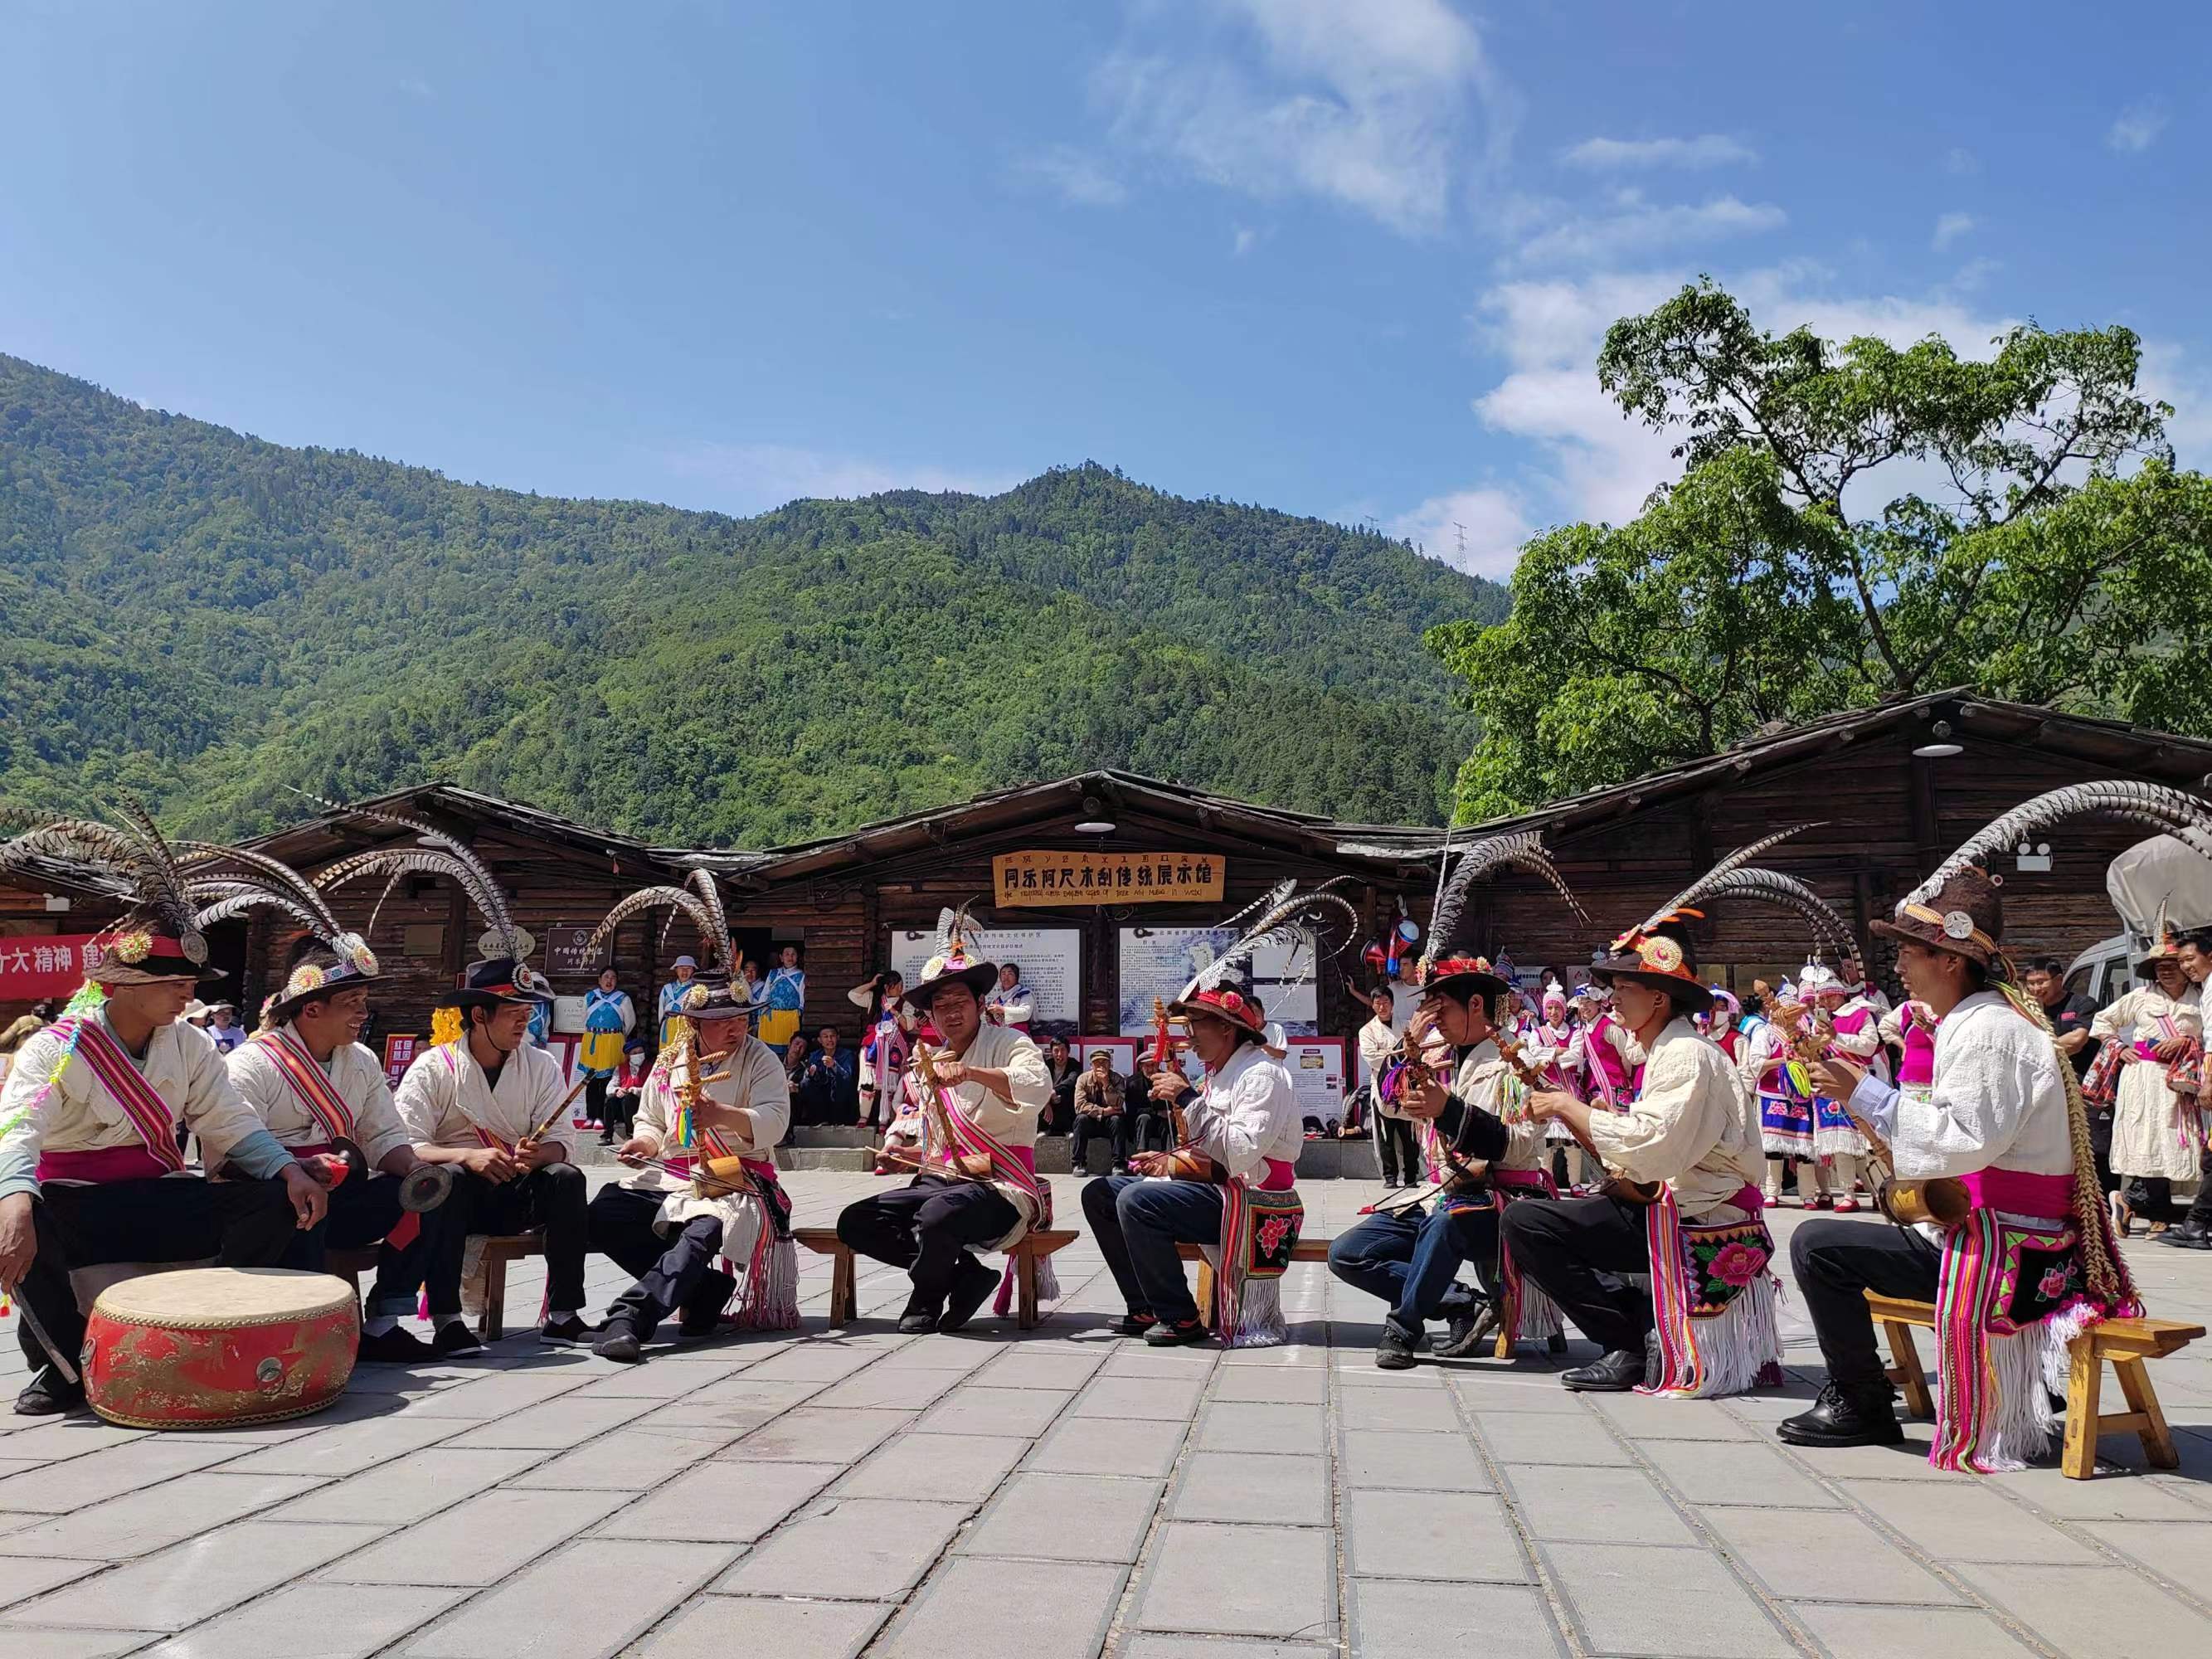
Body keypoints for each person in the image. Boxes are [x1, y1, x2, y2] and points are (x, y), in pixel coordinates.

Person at [1781, 864, 2137, 1465]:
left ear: (1949, 960)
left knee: (1817, 1245)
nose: (1898, 966)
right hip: (2016, 1235)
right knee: (1837, 1240)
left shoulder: (1988, 1030)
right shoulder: (1982, 1021)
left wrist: (1865, 1094)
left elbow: (1964, 1138)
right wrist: (1864, 1098)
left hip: (2007, 1249)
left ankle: (1861, 1402)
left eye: (1908, 952)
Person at [0, 863, 325, 1416]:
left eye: (189, 984)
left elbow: (230, 1120)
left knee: (273, 1201)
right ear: (125, 984)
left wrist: (288, 1169)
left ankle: (212, 1332)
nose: (187, 995)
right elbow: (19, 1128)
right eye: (174, 984)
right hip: (77, 1204)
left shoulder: (190, 1047)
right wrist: (13, 1198)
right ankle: (64, 1368)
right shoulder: (54, 1048)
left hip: (159, 1195)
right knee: (19, 1219)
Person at [1510, 885, 1777, 1396]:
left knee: (1528, 1223)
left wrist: (1567, 1105)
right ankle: (1642, 1322)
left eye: (1624, 988)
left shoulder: (1685, 1053)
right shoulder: (1671, 1049)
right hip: (1682, 1202)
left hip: (1700, 1213)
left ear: (1659, 997)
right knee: (1538, 1219)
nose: (1612, 999)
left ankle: (1627, 1340)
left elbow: (1655, 1145)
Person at [1082, 890, 1346, 1348]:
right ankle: (1143, 1305)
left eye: (1195, 1028)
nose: (1188, 1039)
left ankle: (1180, 1316)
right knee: (1101, 1193)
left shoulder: (1263, 1074)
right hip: (1220, 1189)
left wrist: (1187, 1097)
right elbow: (1209, 1149)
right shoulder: (1221, 1073)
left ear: (1227, 1029)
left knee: (1137, 1201)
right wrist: (1168, 1160)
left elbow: (1238, 1154)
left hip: (1256, 1200)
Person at [835, 909, 1054, 1332]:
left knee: (936, 1214)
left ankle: (927, 1297)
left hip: (1000, 1186)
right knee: (857, 1220)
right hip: (943, 1181)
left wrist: (973, 1073)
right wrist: (905, 1153)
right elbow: (938, 1142)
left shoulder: (1012, 1043)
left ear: (981, 1004)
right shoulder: (930, 1062)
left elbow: (1036, 1087)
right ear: (931, 1016)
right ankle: (962, 1276)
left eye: (960, 1002)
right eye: (941, 1006)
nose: (951, 1013)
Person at [226, 936, 434, 1363]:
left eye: (364, 1001)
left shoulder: (361, 1061)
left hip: (344, 1194)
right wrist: (299, 1167)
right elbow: (231, 1148)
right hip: (277, 1202)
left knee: (426, 1195)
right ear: (312, 1009)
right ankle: (310, 1336)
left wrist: (417, 1169)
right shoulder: (251, 1063)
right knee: (301, 1198)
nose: (363, 1013)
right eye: (351, 1002)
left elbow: (382, 1134)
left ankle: (383, 1323)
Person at [1330, 940, 1535, 1369]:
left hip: (1500, 1199)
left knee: (1447, 1222)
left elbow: (1518, 1144)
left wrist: (1450, 1111)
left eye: (1440, 1008)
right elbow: (1390, 1106)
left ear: (1475, 1005)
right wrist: (1410, 1044)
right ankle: (1461, 1301)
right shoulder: (1435, 1055)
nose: (1432, 1017)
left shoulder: (1515, 1060)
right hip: (1438, 1194)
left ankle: (1402, 1329)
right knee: (1348, 1252)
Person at [589, 971, 795, 1359]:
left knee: (706, 1227)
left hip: (733, 1175)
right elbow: (651, 1119)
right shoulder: (670, 1060)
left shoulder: (761, 1058)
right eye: (723, 1021)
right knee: (605, 1211)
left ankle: (631, 1315)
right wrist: (644, 1142)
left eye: (742, 1019)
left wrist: (722, 1115)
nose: (736, 1029)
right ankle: (703, 1288)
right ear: (694, 1023)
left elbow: (776, 1122)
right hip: (674, 1174)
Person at [396, 954, 593, 1353]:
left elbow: (562, 1142)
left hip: (516, 1191)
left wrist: (539, 1155)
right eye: (513, 1014)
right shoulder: (432, 1068)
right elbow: (406, 1145)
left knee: (567, 1179)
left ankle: (563, 1314)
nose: (524, 1024)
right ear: (479, 1016)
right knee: (449, 1180)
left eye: (527, 1014)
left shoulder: (540, 1065)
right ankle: (447, 1320)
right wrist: (467, 1157)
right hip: (458, 1199)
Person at [2093, 927, 2202, 1235]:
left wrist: (2186, 1042)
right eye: (2159, 968)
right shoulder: (2141, 998)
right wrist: (2119, 1047)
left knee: (2175, 1142)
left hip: (2182, 1079)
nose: (2165, 972)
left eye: (2172, 966)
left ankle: (2131, 1201)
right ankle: (2157, 1213)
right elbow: (2103, 1021)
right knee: (2149, 1139)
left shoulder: (2200, 998)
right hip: (2143, 1077)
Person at [1359, 985, 1417, 1186]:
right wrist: (1400, 1055)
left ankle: (1411, 1176)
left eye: (1386, 1002)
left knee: (1409, 1132)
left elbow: (1417, 1050)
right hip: (1382, 1084)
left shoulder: (1407, 1025)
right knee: (1386, 1133)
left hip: (1406, 1084)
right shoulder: (1367, 1031)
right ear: (1373, 1006)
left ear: (1392, 1004)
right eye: (1378, 1003)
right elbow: (1371, 1057)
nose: (1382, 1007)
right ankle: (1390, 1176)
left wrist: (1392, 1054)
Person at [848, 971, 914, 1131]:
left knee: (890, 1085)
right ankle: (864, 1116)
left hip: (894, 1047)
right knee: (868, 1082)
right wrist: (872, 984)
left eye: (901, 985)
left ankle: (884, 1121)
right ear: (886, 987)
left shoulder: (905, 1003)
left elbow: (908, 1025)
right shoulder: (874, 999)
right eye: (896, 986)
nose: (900, 989)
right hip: (873, 1046)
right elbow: (853, 995)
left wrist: (894, 1012)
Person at [579, 966, 636, 1134]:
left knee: (607, 1079)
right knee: (591, 1080)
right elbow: (584, 1018)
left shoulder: (623, 999)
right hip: (593, 1040)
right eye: (606, 977)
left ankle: (602, 1117)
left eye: (613, 977)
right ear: (599, 979)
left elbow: (630, 1022)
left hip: (612, 1040)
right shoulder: (590, 997)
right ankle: (590, 1116)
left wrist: (616, 1036)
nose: (609, 980)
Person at [1071, 1048, 1129, 1172]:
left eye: (1104, 1062)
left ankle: (1118, 1164)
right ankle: (1079, 1163)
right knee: (1081, 1119)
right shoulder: (1083, 1079)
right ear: (1091, 1065)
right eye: (1097, 1062)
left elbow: (1118, 1104)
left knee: (1117, 1120)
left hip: (1109, 1122)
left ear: (1110, 1064)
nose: (1101, 1066)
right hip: (1091, 1121)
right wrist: (1103, 1111)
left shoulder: (1118, 1079)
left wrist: (1106, 1083)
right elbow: (1079, 1106)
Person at [798, 1027, 858, 1124]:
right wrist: (811, 1074)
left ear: (838, 1038)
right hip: (822, 1098)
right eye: (825, 1037)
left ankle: (839, 1120)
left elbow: (848, 1077)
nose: (830, 1039)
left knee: (841, 1081)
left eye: (832, 1036)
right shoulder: (814, 1055)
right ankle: (817, 1119)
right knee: (806, 1083)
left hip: (840, 1099)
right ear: (820, 1040)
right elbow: (810, 1078)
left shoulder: (847, 1055)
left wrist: (834, 1066)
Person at [760, 946, 806, 1050]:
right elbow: (765, 994)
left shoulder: (801, 975)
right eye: (787, 954)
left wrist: (799, 1011)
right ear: (781, 958)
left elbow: (802, 996)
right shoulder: (773, 973)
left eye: (793, 954)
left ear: (797, 957)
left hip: (790, 1018)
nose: (790, 957)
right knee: (768, 1049)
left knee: (788, 1047)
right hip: (770, 1017)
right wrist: (761, 1009)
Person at [1041, 1036, 1081, 1135]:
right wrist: (1047, 1102)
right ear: (1051, 1052)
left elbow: (1071, 1081)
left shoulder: (1075, 1065)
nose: (1059, 1054)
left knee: (1066, 1095)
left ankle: (1068, 1129)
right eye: (1056, 1051)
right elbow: (1040, 1084)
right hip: (1048, 1101)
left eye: (1063, 1050)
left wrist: (1055, 1091)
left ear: (1068, 1051)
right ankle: (1044, 1129)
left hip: (1065, 1102)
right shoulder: (1046, 1066)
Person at [658, 955, 699, 1047]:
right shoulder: (667, 989)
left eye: (688, 968)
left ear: (693, 970)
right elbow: (661, 1013)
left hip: (687, 1028)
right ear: (676, 970)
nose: (684, 972)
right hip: (668, 1027)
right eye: (681, 968)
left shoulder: (696, 990)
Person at [984, 962, 1033, 1034]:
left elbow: (1025, 1013)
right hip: (1000, 1037)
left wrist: (1003, 1010)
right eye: (1003, 974)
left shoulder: (1024, 993)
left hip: (1019, 1036)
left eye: (1010, 974)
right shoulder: (997, 1000)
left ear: (1016, 977)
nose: (1006, 978)